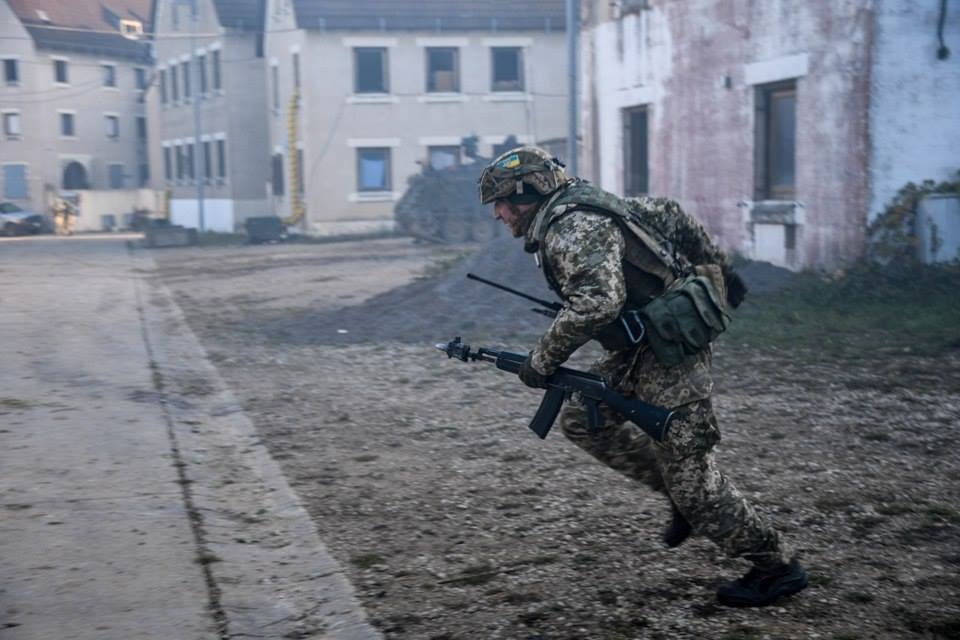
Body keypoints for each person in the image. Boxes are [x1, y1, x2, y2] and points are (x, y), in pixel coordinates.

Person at [477, 146, 808, 608]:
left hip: (671, 352)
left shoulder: (572, 227)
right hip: (638, 348)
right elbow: (670, 214)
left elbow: (598, 304)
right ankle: (678, 496)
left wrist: (542, 360)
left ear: (525, 192)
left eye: (500, 203)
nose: (497, 214)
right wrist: (718, 266)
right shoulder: (585, 204)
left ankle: (777, 568)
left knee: (694, 481)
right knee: (583, 420)